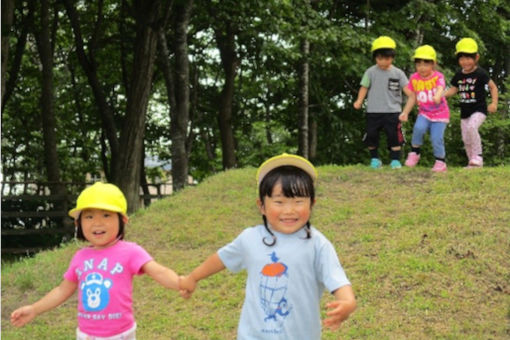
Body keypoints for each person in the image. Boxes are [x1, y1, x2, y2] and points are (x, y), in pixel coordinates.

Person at [180, 153, 356, 340]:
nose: (289, 210)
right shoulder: (250, 238)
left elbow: (338, 280)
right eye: (279, 202)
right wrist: (193, 277)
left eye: (298, 201)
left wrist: (348, 302)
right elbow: (222, 258)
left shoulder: (317, 244)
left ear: (312, 204)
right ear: (261, 206)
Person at [11, 182, 184, 340]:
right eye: (89, 217)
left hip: (122, 335)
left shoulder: (131, 251)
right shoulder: (80, 257)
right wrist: (34, 309)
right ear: (78, 223)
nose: (97, 223)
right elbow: (62, 290)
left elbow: (158, 271)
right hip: (86, 336)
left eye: (106, 215)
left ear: (122, 220)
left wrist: (180, 282)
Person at [354, 36, 413, 169]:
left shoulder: (398, 73)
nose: (382, 61)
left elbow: (408, 90)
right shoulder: (370, 72)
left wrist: (413, 98)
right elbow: (364, 87)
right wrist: (359, 100)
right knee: (371, 135)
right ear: (375, 58)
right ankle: (375, 159)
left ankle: (395, 160)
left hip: (393, 111)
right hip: (373, 111)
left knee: (394, 136)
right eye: (379, 58)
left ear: (392, 57)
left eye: (386, 58)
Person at [443, 37, 499, 168]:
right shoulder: (459, 75)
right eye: (462, 58)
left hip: (479, 109)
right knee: (465, 138)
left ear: (476, 58)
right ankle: (472, 163)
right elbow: (452, 90)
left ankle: (478, 157)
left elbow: (493, 87)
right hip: (465, 112)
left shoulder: (480, 73)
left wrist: (494, 103)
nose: (465, 62)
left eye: (468, 58)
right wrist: (440, 96)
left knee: (472, 128)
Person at [400, 45, 450, 172]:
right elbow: (412, 97)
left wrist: (438, 95)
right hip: (424, 113)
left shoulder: (438, 76)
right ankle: (415, 153)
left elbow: (441, 87)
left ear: (433, 64)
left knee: (436, 137)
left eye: (426, 64)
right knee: (418, 128)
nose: (422, 68)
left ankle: (440, 161)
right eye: (418, 64)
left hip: (440, 114)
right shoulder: (414, 78)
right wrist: (405, 112)